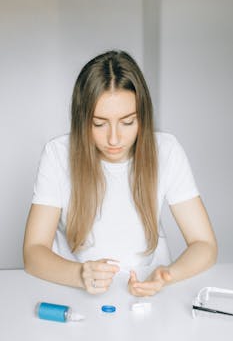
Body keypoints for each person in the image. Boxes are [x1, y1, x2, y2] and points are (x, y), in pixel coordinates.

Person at [23, 50, 217, 297]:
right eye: (99, 124)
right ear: (82, 119)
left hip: (148, 297)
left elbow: (205, 245)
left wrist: (168, 275)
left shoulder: (166, 150)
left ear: (142, 118)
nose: (114, 138)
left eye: (127, 122)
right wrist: (80, 274)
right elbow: (33, 252)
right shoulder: (57, 155)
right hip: (74, 296)